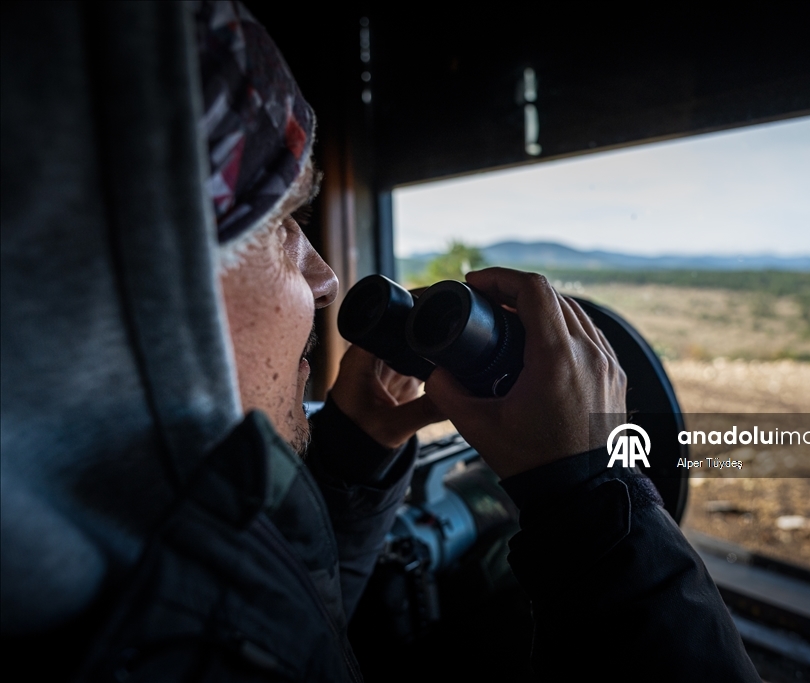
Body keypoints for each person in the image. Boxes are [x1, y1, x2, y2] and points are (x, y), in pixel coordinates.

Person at [1, 2, 759, 680]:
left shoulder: (96, 591)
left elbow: (266, 622)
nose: (327, 277)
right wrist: (592, 504)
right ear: (156, 290)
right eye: (281, 223)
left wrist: (354, 456)